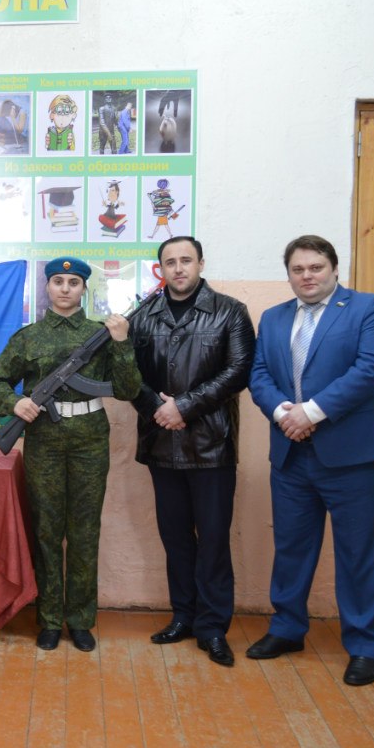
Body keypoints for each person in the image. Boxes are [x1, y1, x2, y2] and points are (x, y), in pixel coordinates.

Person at [247, 234, 374, 686]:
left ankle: (366, 646)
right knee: (291, 548)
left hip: (349, 456)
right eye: (298, 269)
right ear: (288, 273)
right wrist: (281, 413)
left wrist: (309, 413)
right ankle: (288, 629)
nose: (307, 276)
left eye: (315, 268)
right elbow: (259, 374)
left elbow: (372, 368)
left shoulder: (369, 309)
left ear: (334, 269)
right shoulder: (273, 318)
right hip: (291, 455)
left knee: (358, 554)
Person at [0, 257, 141, 652]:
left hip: (89, 439)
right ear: (48, 288)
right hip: (45, 442)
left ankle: (81, 619)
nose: (66, 288)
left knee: (85, 532)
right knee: (48, 532)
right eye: (58, 281)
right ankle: (50, 618)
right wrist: (15, 403)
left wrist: (122, 345)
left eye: (73, 282)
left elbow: (126, 389)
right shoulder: (28, 337)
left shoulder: (101, 334)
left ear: (85, 289)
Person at [129, 237, 254, 667]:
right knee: (176, 538)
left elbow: (239, 371)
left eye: (186, 260)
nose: (178, 268)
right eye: (170, 262)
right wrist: (158, 409)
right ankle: (183, 615)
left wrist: (184, 405)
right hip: (162, 443)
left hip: (211, 445)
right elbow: (129, 376)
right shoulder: (142, 316)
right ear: (159, 268)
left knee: (214, 539)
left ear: (201, 262)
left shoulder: (230, 312)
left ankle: (213, 626)